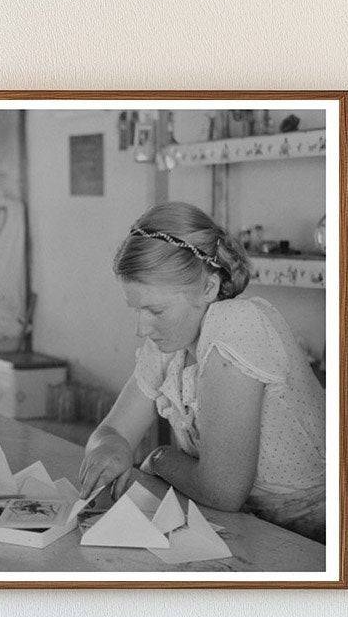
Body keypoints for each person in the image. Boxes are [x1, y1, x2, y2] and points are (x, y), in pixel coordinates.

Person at [79, 202, 326, 543]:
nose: (141, 328)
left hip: (322, 536)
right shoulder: (169, 344)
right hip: (256, 529)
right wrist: (108, 448)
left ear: (209, 288)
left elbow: (223, 491)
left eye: (155, 310)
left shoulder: (236, 324)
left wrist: (159, 458)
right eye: (136, 310)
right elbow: (111, 431)